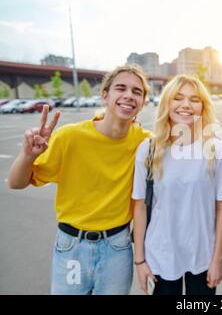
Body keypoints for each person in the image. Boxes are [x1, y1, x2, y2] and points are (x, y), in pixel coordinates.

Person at [8, 64, 151, 295]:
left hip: (117, 247)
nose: (129, 95)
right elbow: (15, 183)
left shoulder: (145, 142)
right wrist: (28, 155)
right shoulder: (69, 137)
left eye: (137, 92)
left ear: (143, 102)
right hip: (72, 246)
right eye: (121, 88)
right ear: (105, 95)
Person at [132, 74, 222, 295]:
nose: (186, 105)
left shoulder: (216, 150)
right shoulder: (148, 149)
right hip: (160, 255)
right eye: (178, 98)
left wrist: (217, 259)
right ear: (167, 103)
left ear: (203, 107)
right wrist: (139, 261)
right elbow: (139, 207)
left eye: (194, 99)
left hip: (203, 255)